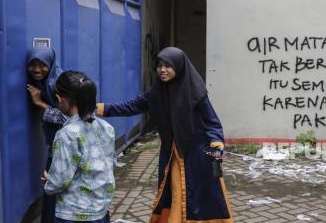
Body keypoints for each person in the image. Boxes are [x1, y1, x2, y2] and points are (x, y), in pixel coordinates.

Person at [97, 47, 233, 222]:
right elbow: (131, 106)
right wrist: (100, 108)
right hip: (172, 154)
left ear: (179, 66)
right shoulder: (156, 92)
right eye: (159, 65)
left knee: (202, 195)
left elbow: (212, 121)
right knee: (175, 192)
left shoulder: (196, 92)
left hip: (199, 153)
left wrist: (216, 141)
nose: (162, 70)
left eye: (168, 66)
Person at [42, 71, 115, 222]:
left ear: (60, 99)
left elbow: (59, 180)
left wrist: (49, 182)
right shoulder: (106, 127)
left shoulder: (67, 134)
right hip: (100, 210)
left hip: (73, 215)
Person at [27, 47, 66, 223]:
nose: (36, 69)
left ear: (50, 64)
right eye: (32, 64)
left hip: (67, 145)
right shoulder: (48, 80)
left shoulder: (57, 84)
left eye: (42, 64)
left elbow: (68, 117)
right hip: (58, 142)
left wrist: (40, 103)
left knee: (53, 185)